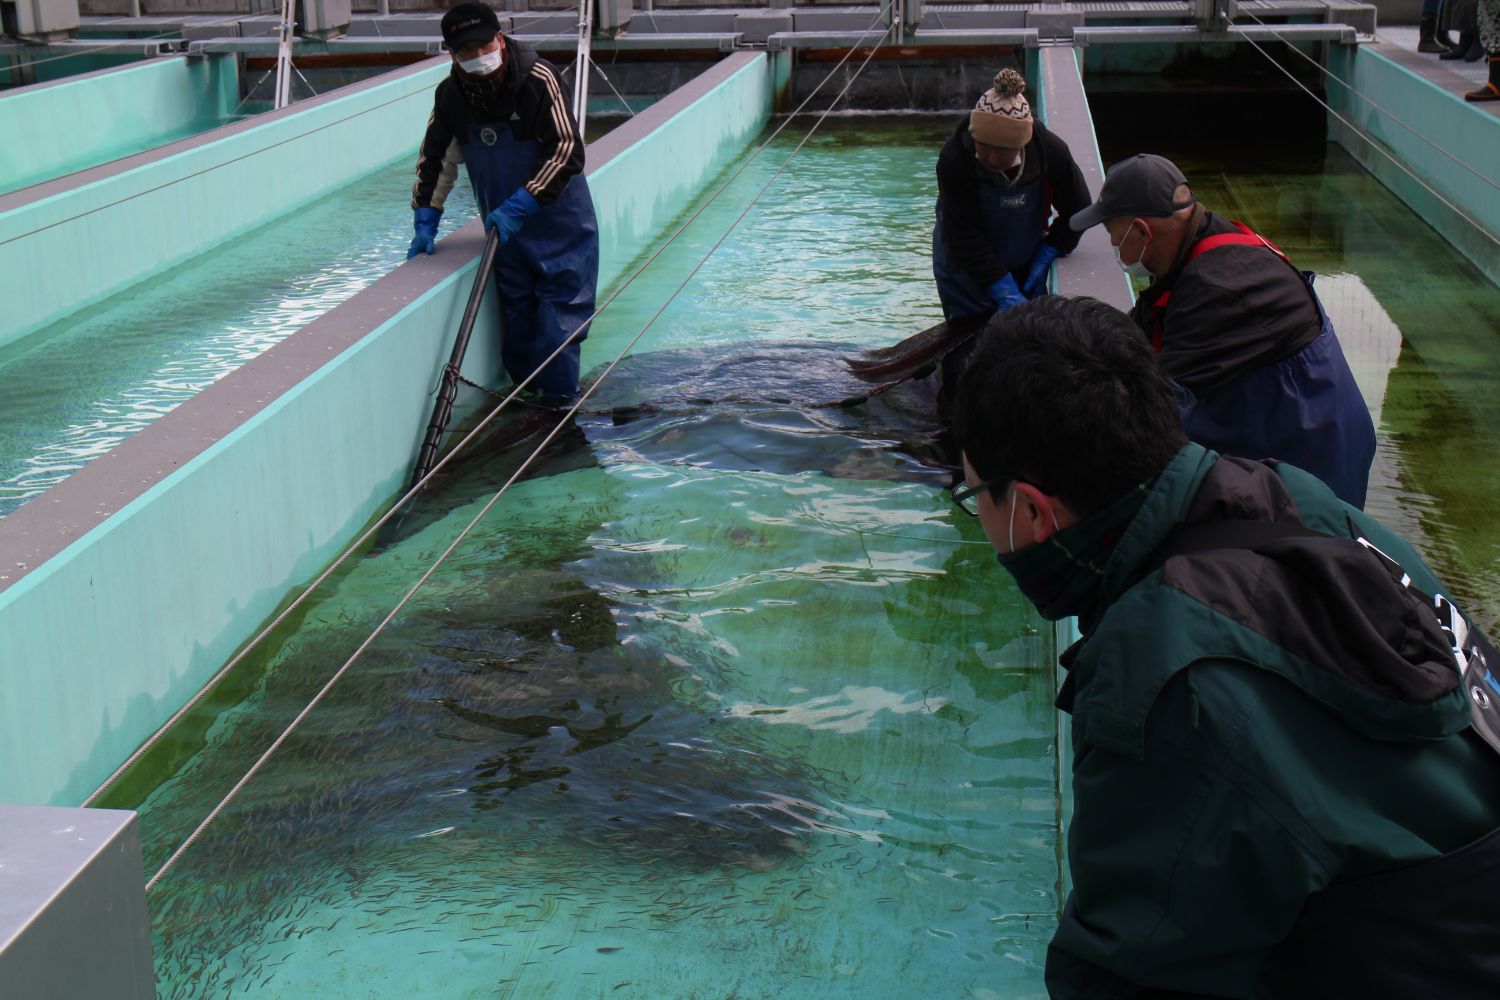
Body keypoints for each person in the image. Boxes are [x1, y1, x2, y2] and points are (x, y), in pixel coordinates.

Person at [949, 294, 1500, 999]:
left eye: (977, 501)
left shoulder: (1162, 681)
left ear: (1028, 508)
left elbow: (1130, 975)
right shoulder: (1293, 498)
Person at [1070, 153, 1377, 509]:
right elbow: (1132, 332)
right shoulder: (1201, 245)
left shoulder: (1221, 287)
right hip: (1294, 427)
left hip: (1314, 463)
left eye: (1112, 232)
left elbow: (1152, 402)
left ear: (1141, 231)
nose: (1111, 245)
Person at [406, 1, 598, 406]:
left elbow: (566, 150)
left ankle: (561, 402)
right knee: (519, 320)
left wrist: (524, 202)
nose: (478, 57)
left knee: (559, 322)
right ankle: (527, 400)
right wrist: (426, 217)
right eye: (465, 51)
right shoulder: (451, 95)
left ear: (500, 38)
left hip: (560, 225)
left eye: (483, 45)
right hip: (505, 235)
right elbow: (436, 158)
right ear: (452, 54)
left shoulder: (538, 79)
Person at [930, 67, 1090, 389]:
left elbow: (1080, 208)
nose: (988, 157)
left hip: (1023, 258)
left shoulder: (1050, 152)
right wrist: (1001, 288)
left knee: (1024, 353)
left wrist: (1051, 248)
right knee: (966, 356)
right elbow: (963, 233)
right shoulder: (954, 158)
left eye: (1000, 150)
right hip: (964, 269)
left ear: (1022, 144)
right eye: (982, 146)